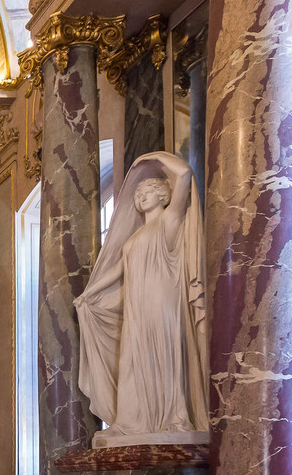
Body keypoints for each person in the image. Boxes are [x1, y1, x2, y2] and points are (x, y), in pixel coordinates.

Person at [74, 151, 209, 446]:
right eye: (138, 193)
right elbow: (118, 271)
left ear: (164, 195)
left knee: (164, 353)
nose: (141, 196)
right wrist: (89, 294)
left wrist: (155, 157)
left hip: (162, 299)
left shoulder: (171, 220)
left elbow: (184, 174)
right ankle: (129, 422)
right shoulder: (134, 237)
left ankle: (174, 417)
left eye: (148, 190)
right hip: (136, 303)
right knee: (131, 359)